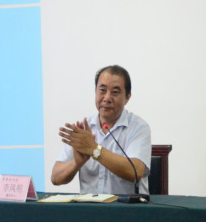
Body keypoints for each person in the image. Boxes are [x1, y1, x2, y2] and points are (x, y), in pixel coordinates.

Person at [51, 65, 152, 194]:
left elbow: (135, 172)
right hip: (90, 206)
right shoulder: (84, 128)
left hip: (126, 206)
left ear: (127, 97)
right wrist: (76, 163)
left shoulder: (138, 127)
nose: (107, 98)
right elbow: (55, 178)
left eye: (115, 92)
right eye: (102, 90)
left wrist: (93, 149)